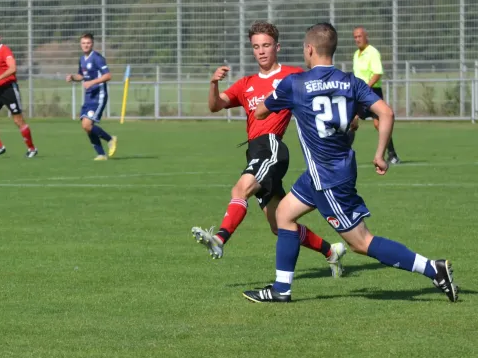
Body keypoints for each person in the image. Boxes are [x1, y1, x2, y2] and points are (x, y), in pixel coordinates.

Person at [244, 22, 458, 303]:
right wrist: (380, 153)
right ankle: (281, 288)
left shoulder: (294, 84)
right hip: (327, 171)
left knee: (361, 243)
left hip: (328, 179)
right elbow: (386, 112)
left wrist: (275, 99)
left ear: (309, 49)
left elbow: (260, 113)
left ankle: (433, 268)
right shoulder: (351, 82)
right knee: (284, 215)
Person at [191, 21, 346, 277]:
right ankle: (331, 251)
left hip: (272, 145)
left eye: (266, 45)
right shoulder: (246, 83)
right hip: (255, 150)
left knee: (240, 188)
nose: (261, 51)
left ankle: (219, 238)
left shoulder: (292, 75)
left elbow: (324, 88)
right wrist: (213, 83)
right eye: (256, 47)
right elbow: (215, 106)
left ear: (277, 47)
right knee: (279, 224)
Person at [0, 29, 37, 158]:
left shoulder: (4, 50)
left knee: (18, 121)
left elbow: (13, 68)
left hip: (9, 89)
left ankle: (32, 148)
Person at [348, 26, 400, 164]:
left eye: (359, 36)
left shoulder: (372, 53)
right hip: (358, 94)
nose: (357, 39)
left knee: (379, 124)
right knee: (351, 122)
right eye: (355, 37)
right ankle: (343, 154)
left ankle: (392, 155)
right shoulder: (356, 54)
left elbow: (377, 73)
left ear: (366, 36)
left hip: (371, 92)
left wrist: (365, 88)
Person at [66, 33, 117, 161]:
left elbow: (108, 76)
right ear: (80, 44)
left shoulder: (97, 58)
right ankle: (101, 154)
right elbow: (81, 76)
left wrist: (92, 82)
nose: (85, 45)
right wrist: (73, 77)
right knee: (86, 127)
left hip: (99, 95)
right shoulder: (82, 59)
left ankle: (110, 139)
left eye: (88, 43)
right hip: (89, 96)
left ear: (92, 44)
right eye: (83, 43)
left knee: (87, 125)